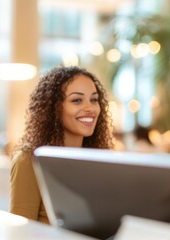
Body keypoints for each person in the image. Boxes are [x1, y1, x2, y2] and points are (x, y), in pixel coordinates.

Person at [10, 65, 114, 224]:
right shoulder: (29, 159)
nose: (90, 108)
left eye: (94, 99)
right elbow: (20, 233)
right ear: (54, 108)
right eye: (77, 100)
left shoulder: (98, 159)